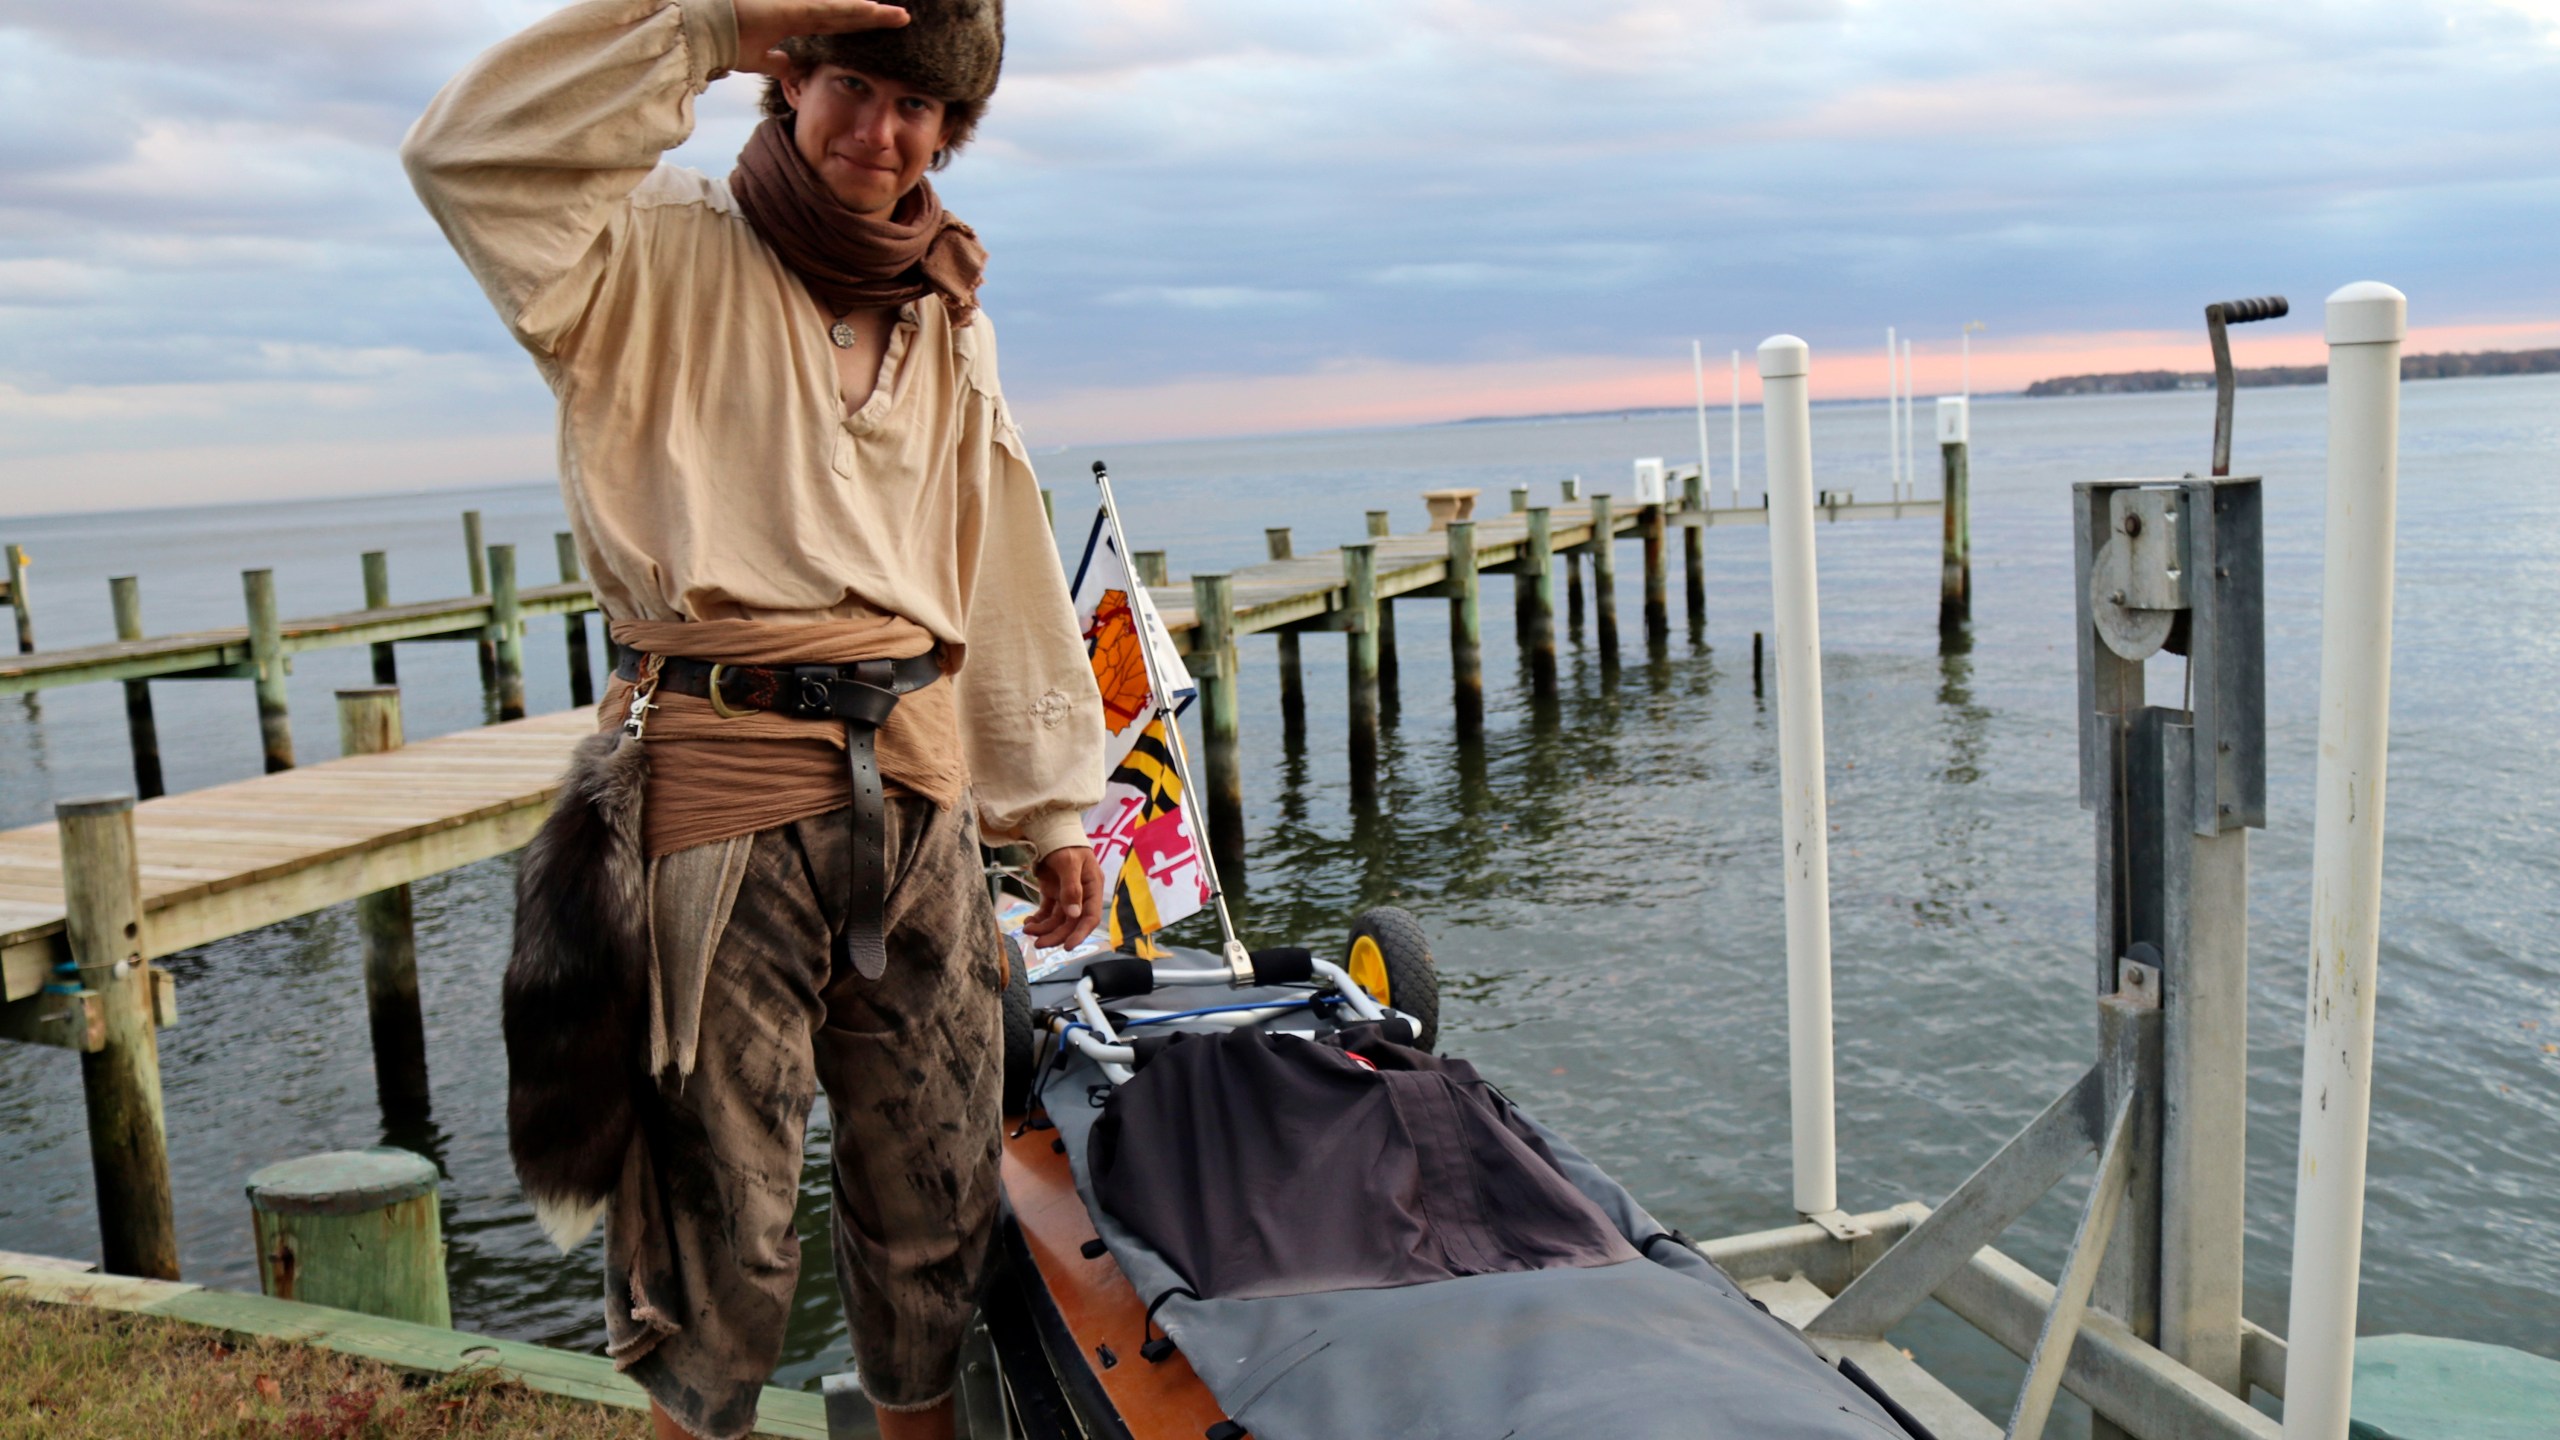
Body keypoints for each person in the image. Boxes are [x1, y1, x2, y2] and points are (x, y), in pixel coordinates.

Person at [402, 2, 1105, 1436]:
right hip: (720, 801)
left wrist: (1047, 811)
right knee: (714, 1241)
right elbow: (465, 154)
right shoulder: (644, 253)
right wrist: (712, 22)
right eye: (851, 84)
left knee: (938, 1215)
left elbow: (998, 563)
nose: (877, 131)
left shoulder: (948, 317)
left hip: (915, 806)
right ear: (790, 81)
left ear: (951, 131)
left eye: (917, 106)